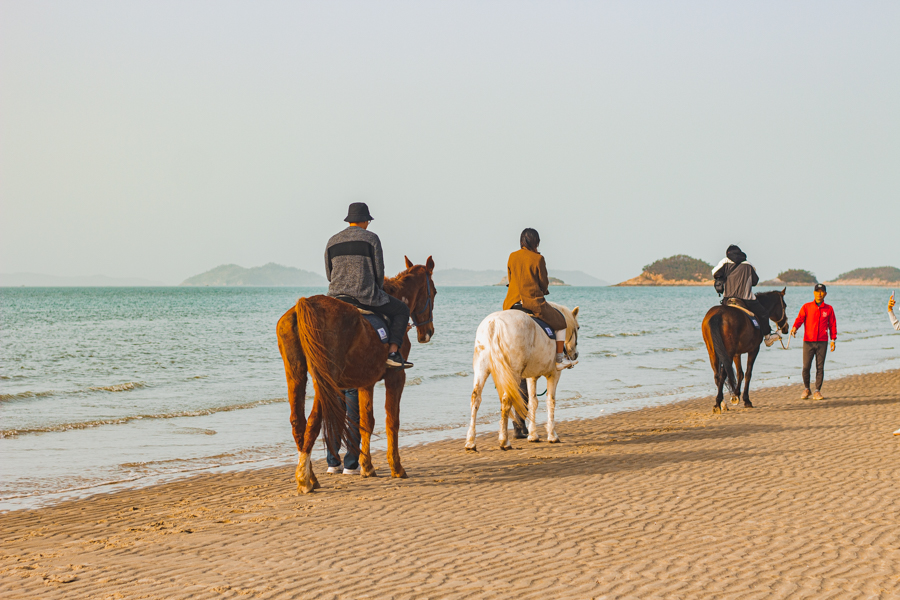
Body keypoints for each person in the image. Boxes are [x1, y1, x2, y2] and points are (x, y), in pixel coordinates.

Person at [325, 202, 412, 368]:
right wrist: (378, 289)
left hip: (336, 298)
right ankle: (393, 353)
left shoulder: (332, 241)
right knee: (402, 310)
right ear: (365, 221)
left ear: (350, 220)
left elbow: (330, 274)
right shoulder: (371, 238)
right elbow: (379, 272)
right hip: (364, 296)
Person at [503, 228, 576, 370]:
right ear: (536, 242)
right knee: (561, 322)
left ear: (521, 241)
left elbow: (511, 279)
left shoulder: (512, 256)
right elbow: (544, 283)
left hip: (511, 303)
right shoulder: (538, 259)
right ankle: (560, 360)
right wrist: (543, 290)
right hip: (532, 303)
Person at [712, 244, 781, 347]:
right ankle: (768, 337)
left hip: (728, 298)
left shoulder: (724, 262)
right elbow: (754, 281)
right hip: (746, 298)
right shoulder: (748, 264)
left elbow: (715, 273)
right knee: (763, 313)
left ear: (728, 254)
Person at [791, 283, 837, 400]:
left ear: (825, 294)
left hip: (822, 342)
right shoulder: (807, 307)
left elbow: (832, 325)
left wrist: (833, 340)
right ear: (814, 293)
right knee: (806, 367)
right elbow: (800, 319)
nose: (819, 294)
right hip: (808, 342)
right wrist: (795, 328)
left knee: (820, 367)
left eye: (822, 292)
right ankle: (807, 389)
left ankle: (817, 391)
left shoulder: (829, 309)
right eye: (817, 291)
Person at [324, 389, 362, 475]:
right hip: (352, 381)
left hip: (335, 382)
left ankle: (333, 463)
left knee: (334, 421)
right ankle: (351, 465)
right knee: (354, 421)